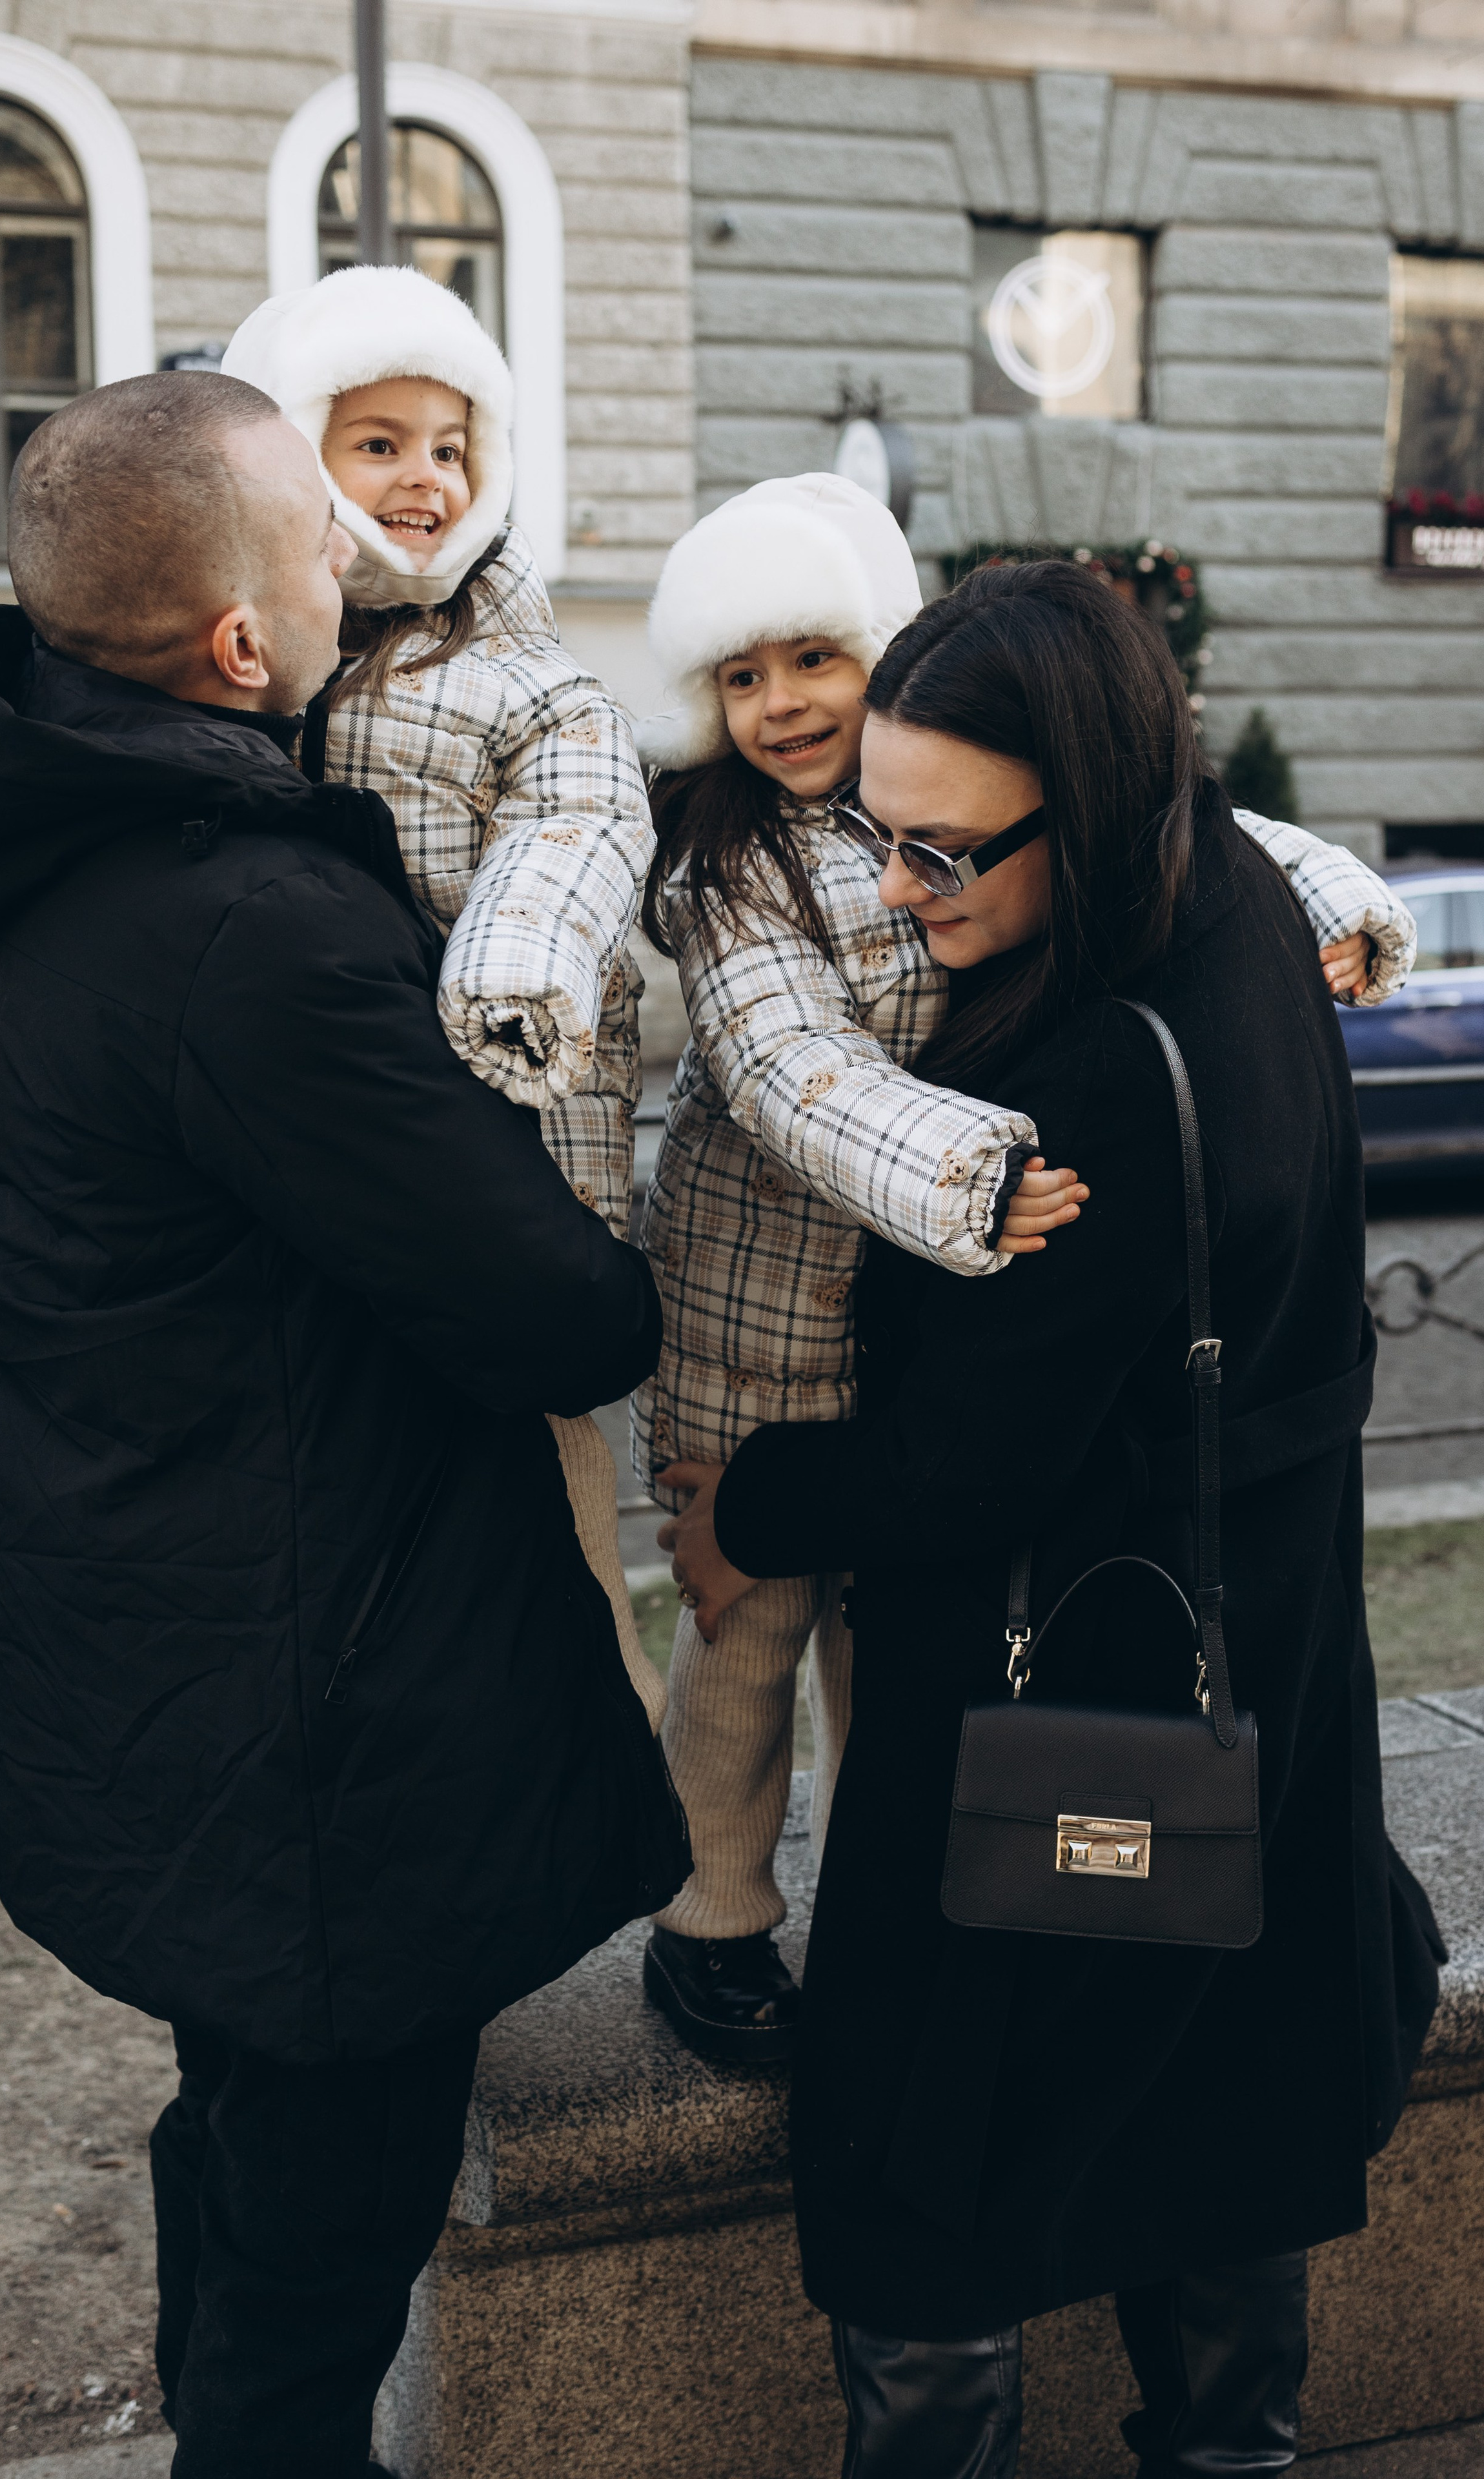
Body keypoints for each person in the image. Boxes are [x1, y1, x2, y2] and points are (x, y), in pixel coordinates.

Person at [0, 370, 687, 2479]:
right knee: (318, 2275)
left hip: (148, 1680)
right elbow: (561, 1313)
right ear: (235, 646)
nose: (359, 557)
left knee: (234, 2153)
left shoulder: (29, 840)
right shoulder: (248, 927)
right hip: (314, 1751)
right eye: (320, 535)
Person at [658, 558, 1444, 2476]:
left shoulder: (1087, 1067)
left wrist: (753, 1499)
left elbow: (975, 1465)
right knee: (1228, 2125)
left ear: (1078, 814)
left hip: (1057, 1688)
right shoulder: (1233, 908)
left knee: (934, 2161)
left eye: (945, 858)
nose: (909, 900)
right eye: (881, 841)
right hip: (1264, 1658)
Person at [0, 261, 661, 1716]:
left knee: (569, 1597)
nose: (420, 480)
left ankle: (658, 1852)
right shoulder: (247, 670)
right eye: (376, 442)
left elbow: (580, 825)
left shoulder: (516, 675)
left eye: (452, 446)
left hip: (496, 1142)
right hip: (338, 1221)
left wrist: (515, 968)